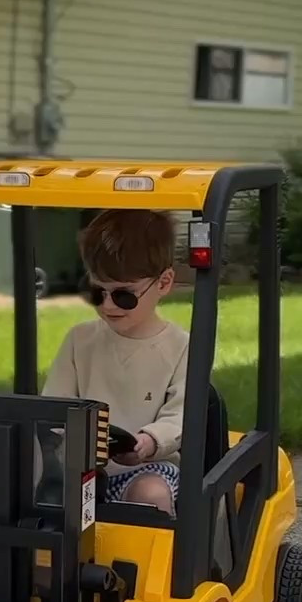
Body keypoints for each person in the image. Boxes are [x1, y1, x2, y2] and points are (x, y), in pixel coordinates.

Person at [42, 209, 188, 514]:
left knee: (150, 493)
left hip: (147, 467)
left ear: (164, 283)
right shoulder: (79, 340)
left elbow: (180, 417)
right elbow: (54, 407)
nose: (108, 305)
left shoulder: (182, 347)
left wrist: (149, 441)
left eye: (124, 295)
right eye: (98, 292)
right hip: (80, 471)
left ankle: (156, 544)